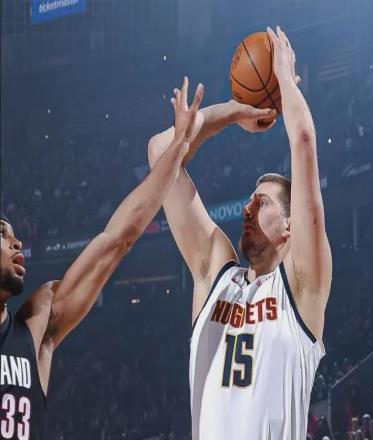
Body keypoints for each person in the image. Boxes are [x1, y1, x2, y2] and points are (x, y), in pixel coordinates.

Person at [148, 26, 332, 439]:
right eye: (249, 201)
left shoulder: (302, 287)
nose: (247, 208)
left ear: (290, 227)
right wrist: (233, 111)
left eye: (262, 203)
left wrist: (284, 83)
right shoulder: (215, 274)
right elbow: (161, 153)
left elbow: (303, 141)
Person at [0, 77, 203, 439]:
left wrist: (178, 147)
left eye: (14, 233)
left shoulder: (35, 327)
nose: (16, 242)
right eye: (2, 233)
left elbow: (116, 241)